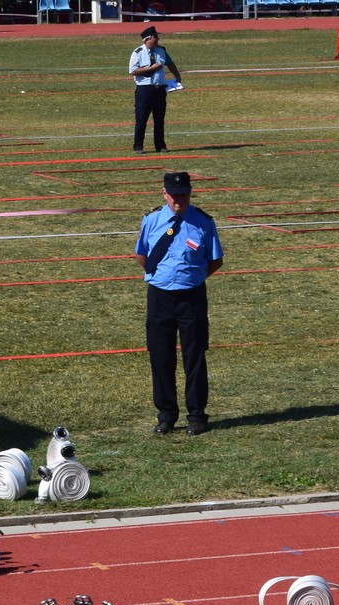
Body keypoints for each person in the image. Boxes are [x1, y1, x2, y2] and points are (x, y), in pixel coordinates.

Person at [135, 171, 221, 436]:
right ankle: (166, 415)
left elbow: (215, 259)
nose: (178, 200)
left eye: (183, 195)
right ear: (164, 194)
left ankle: (196, 416)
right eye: (174, 195)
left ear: (190, 193)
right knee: (160, 356)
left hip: (191, 296)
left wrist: (191, 278)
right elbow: (142, 255)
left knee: (194, 356)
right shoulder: (151, 220)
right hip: (160, 295)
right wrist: (164, 277)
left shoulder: (203, 222)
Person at [129, 25, 180, 154]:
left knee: (159, 119)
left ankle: (160, 145)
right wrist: (151, 68)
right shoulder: (138, 53)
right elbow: (133, 71)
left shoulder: (161, 51)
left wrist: (177, 75)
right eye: (155, 37)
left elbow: (170, 63)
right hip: (144, 90)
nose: (158, 39)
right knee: (141, 119)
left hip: (159, 89)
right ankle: (138, 146)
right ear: (148, 39)